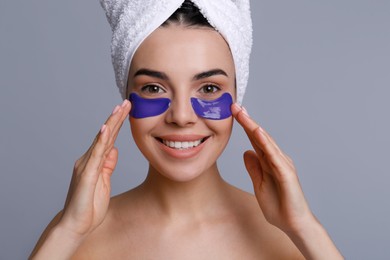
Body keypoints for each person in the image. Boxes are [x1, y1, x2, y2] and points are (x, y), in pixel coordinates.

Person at [30, 1, 343, 259]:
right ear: (126, 98)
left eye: (208, 88)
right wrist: (68, 231)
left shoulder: (288, 237)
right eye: (153, 88)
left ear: (237, 95)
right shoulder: (75, 237)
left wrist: (305, 228)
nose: (181, 116)